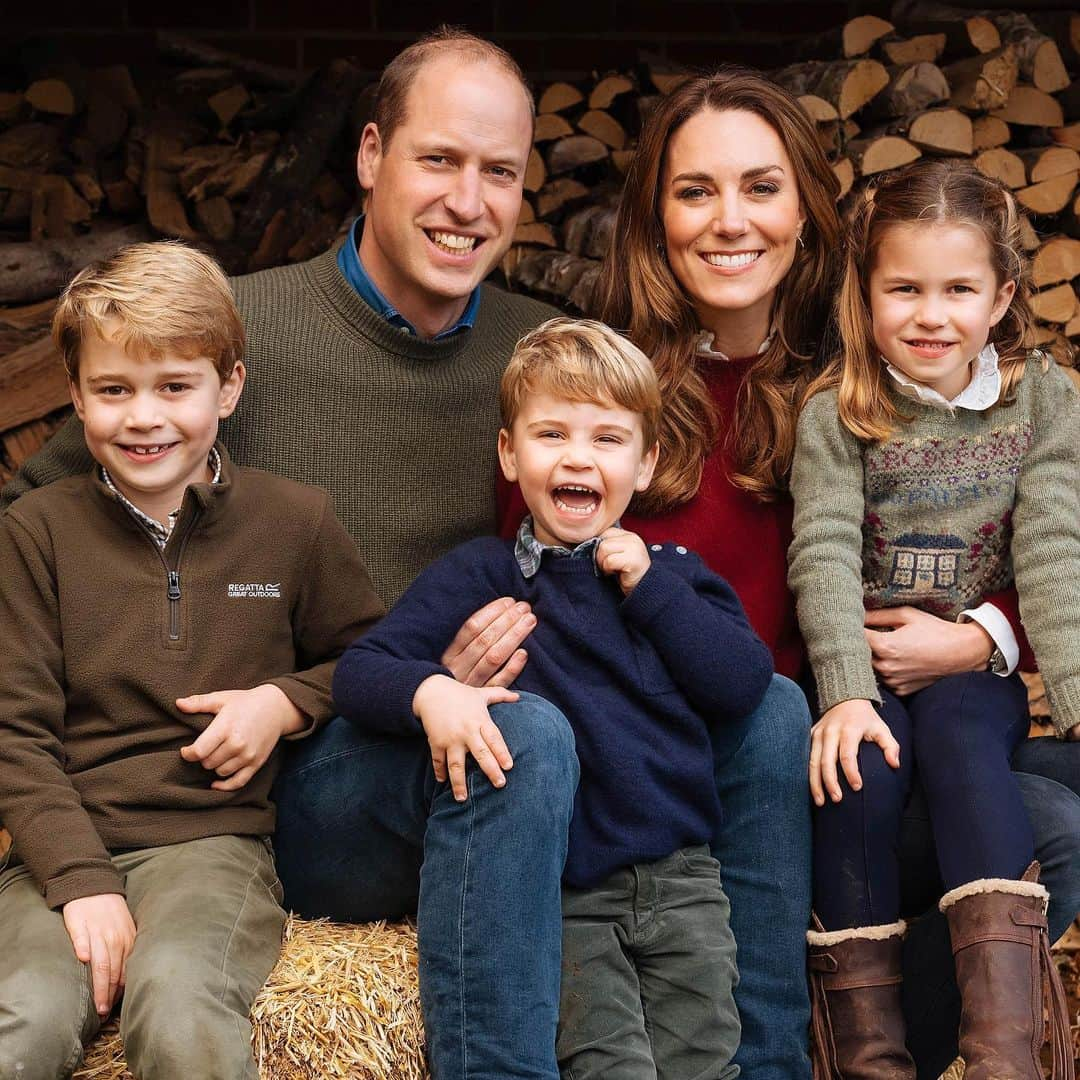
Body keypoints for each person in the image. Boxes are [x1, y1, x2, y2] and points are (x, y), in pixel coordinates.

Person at [1, 30, 583, 1080]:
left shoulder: (539, 356)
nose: (468, 200)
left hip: (428, 743)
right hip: (278, 786)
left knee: (538, 738)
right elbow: (47, 512)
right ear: (369, 156)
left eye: (499, 171)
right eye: (439, 160)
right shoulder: (238, 331)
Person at [499, 66, 1080, 1078]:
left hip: (853, 749)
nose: (731, 221)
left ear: (807, 214)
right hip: (690, 770)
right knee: (784, 727)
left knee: (1057, 821)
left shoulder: (874, 372)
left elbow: (1031, 544)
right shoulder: (595, 396)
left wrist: (978, 637)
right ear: (655, 218)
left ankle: (955, 1060)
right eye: (695, 191)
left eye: (762, 188)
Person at [335, 317, 771, 1080]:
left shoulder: (675, 576)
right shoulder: (483, 575)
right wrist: (432, 690)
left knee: (706, 1060)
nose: (578, 457)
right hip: (571, 893)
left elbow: (741, 685)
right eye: (551, 435)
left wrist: (649, 588)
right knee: (609, 1065)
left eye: (608, 439)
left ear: (645, 465)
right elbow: (362, 671)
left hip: (684, 884)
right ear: (510, 454)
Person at [0, 241, 382, 1079]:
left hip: (212, 847)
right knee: (23, 1018)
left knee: (177, 1000)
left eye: (175, 386)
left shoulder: (296, 524)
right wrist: (80, 880)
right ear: (74, 397)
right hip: (59, 848)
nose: (144, 418)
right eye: (113, 390)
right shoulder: (35, 534)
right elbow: (13, 735)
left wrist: (281, 702)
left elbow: (369, 658)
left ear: (229, 387)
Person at [788, 160, 1077, 1080]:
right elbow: (823, 550)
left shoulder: (1041, 398)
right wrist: (841, 694)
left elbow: (1053, 548)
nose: (929, 315)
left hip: (970, 671)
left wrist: (1074, 698)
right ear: (865, 294)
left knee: (961, 745)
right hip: (862, 668)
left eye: (959, 290)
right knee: (858, 777)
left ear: (1001, 299)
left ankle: (1002, 1054)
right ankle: (866, 1059)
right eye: (902, 288)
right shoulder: (839, 411)